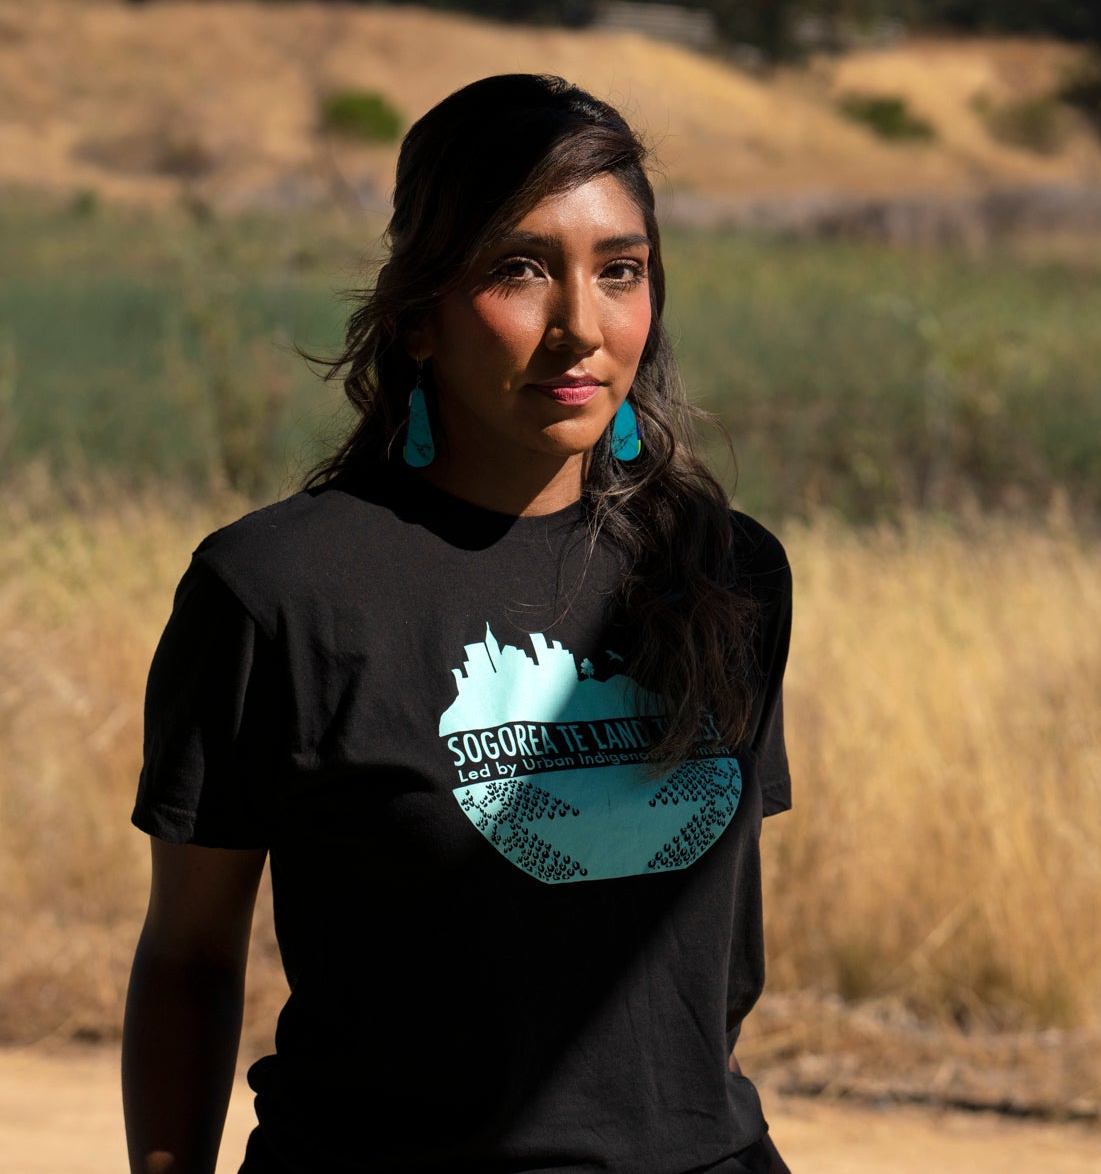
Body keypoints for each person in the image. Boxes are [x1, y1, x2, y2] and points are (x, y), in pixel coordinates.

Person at [121, 73, 796, 1174]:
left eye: (619, 269)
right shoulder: (278, 592)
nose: (580, 326)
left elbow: (709, 973)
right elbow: (190, 957)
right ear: (418, 315)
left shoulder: (727, 573)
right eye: (518, 268)